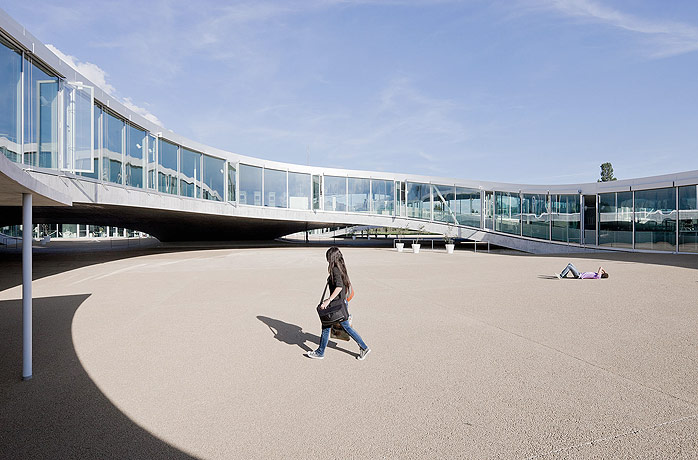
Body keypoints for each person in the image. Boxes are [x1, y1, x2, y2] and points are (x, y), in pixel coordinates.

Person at [307, 247, 371, 360]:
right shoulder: (341, 268)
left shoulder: (335, 269)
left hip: (337, 305)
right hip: (341, 304)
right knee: (330, 326)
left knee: (333, 326)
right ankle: (321, 351)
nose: (327, 259)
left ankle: (364, 347)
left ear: (331, 258)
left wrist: (328, 300)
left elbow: (339, 287)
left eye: (328, 257)